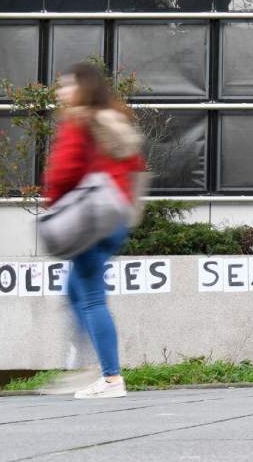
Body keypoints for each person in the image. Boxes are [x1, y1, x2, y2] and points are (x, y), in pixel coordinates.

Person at [43, 62, 146, 399]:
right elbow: (135, 169)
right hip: (113, 218)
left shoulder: (78, 122)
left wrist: (53, 205)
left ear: (82, 89)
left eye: (66, 86)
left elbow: (63, 172)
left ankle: (110, 377)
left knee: (90, 298)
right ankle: (87, 365)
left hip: (87, 220)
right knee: (75, 289)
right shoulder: (113, 120)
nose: (61, 92)